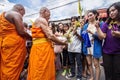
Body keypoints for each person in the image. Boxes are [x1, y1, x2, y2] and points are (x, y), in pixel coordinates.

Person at [27, 7, 67, 80]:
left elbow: (46, 35)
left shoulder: (39, 20)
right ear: (44, 12)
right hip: (41, 50)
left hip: (40, 48)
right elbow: (50, 36)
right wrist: (62, 43)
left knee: (40, 68)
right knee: (41, 69)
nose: (50, 16)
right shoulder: (42, 20)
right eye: (49, 14)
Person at [0, 4, 31, 80]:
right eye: (23, 14)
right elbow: (21, 32)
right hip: (14, 45)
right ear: (21, 9)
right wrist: (31, 37)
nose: (22, 16)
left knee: (7, 65)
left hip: (6, 42)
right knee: (12, 67)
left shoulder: (3, 16)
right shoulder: (16, 14)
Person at [95, 2, 120, 80]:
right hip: (107, 52)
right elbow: (102, 37)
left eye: (113, 10)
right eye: (109, 12)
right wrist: (98, 27)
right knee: (108, 73)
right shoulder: (107, 23)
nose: (111, 13)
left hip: (118, 53)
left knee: (117, 73)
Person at [81, 10, 103, 80]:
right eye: (88, 15)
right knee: (89, 63)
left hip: (95, 46)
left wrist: (92, 33)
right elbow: (82, 35)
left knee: (96, 64)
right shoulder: (85, 26)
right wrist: (82, 30)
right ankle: (92, 77)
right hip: (87, 46)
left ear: (95, 15)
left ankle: (97, 78)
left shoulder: (100, 24)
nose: (89, 17)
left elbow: (101, 36)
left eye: (91, 15)